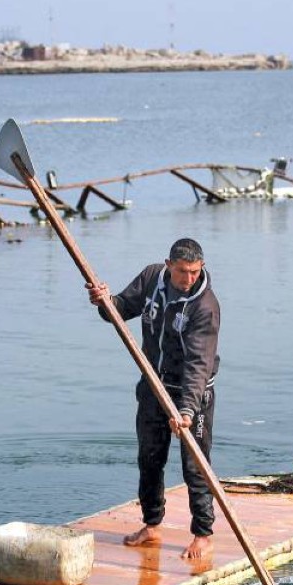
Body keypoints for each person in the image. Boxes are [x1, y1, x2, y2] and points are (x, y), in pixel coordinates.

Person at [87, 238, 220, 559]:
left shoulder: (205, 307)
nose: (188, 279)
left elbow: (198, 365)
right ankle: (151, 524)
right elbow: (120, 311)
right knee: (149, 458)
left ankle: (203, 533)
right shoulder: (151, 278)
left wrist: (186, 409)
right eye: (182, 272)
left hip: (192, 393)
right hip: (152, 386)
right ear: (168, 264)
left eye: (194, 272)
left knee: (195, 466)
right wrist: (104, 302)